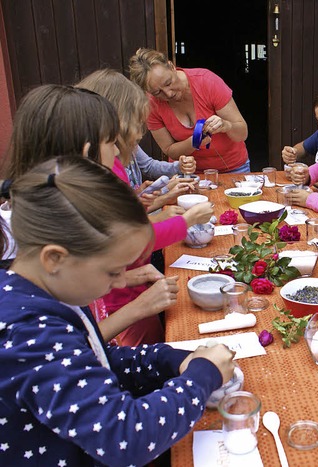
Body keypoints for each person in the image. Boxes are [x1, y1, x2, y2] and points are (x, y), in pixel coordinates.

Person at [0, 156, 235, 466]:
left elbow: (94, 358)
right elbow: (125, 437)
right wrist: (202, 376)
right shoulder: (28, 330)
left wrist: (172, 360)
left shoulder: (44, 295)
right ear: (54, 258)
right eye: (112, 272)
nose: (121, 280)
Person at [2, 84, 213, 345]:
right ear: (83, 151)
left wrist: (118, 279)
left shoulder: (46, 212)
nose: (116, 151)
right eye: (111, 141)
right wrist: (135, 304)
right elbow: (77, 346)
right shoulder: (31, 283)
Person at [76, 69, 196, 217]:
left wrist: (175, 171)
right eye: (134, 123)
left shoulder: (108, 150)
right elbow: (125, 224)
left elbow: (122, 212)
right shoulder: (102, 165)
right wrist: (165, 199)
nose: (139, 134)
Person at [129, 47, 250, 173]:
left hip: (233, 167)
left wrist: (226, 125)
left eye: (168, 83)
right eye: (157, 92)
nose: (168, 94)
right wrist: (194, 141)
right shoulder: (151, 104)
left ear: (171, 66)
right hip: (188, 173)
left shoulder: (206, 81)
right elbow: (169, 150)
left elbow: (242, 133)